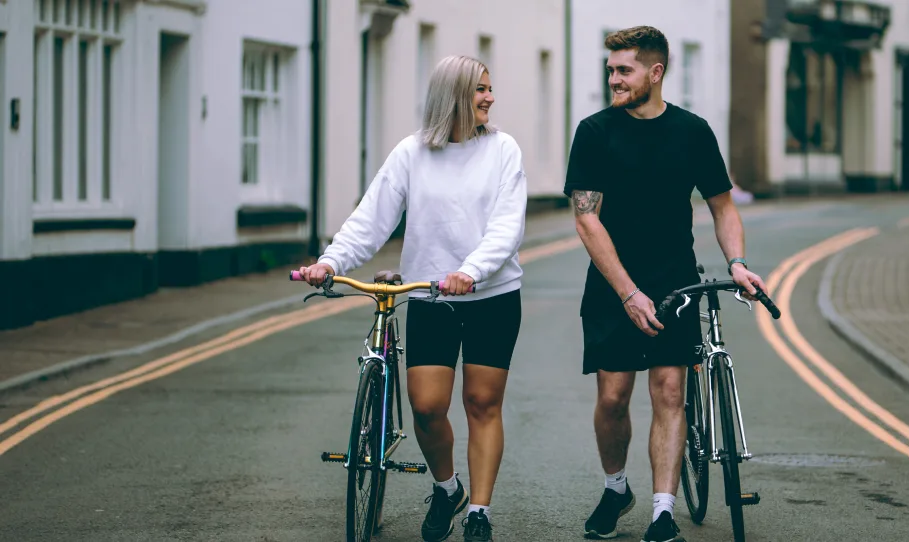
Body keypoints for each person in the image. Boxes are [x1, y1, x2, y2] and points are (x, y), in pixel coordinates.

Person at [298, 54, 526, 542]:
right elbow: (371, 218)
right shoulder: (412, 153)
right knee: (426, 407)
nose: (489, 97)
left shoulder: (504, 149)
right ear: (453, 97)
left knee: (482, 403)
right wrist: (331, 262)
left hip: (492, 297)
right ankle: (448, 489)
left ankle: (479, 513)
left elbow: (507, 226)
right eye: (479, 90)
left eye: (490, 87)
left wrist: (470, 271)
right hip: (428, 296)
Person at [563, 26, 768, 542]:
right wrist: (628, 292)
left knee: (670, 390)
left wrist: (738, 262)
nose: (614, 79)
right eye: (610, 69)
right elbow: (588, 220)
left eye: (623, 70)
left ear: (655, 73)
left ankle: (662, 511)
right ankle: (615, 488)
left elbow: (722, 207)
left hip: (675, 281)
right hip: (613, 284)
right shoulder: (595, 131)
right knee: (612, 397)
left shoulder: (693, 132)